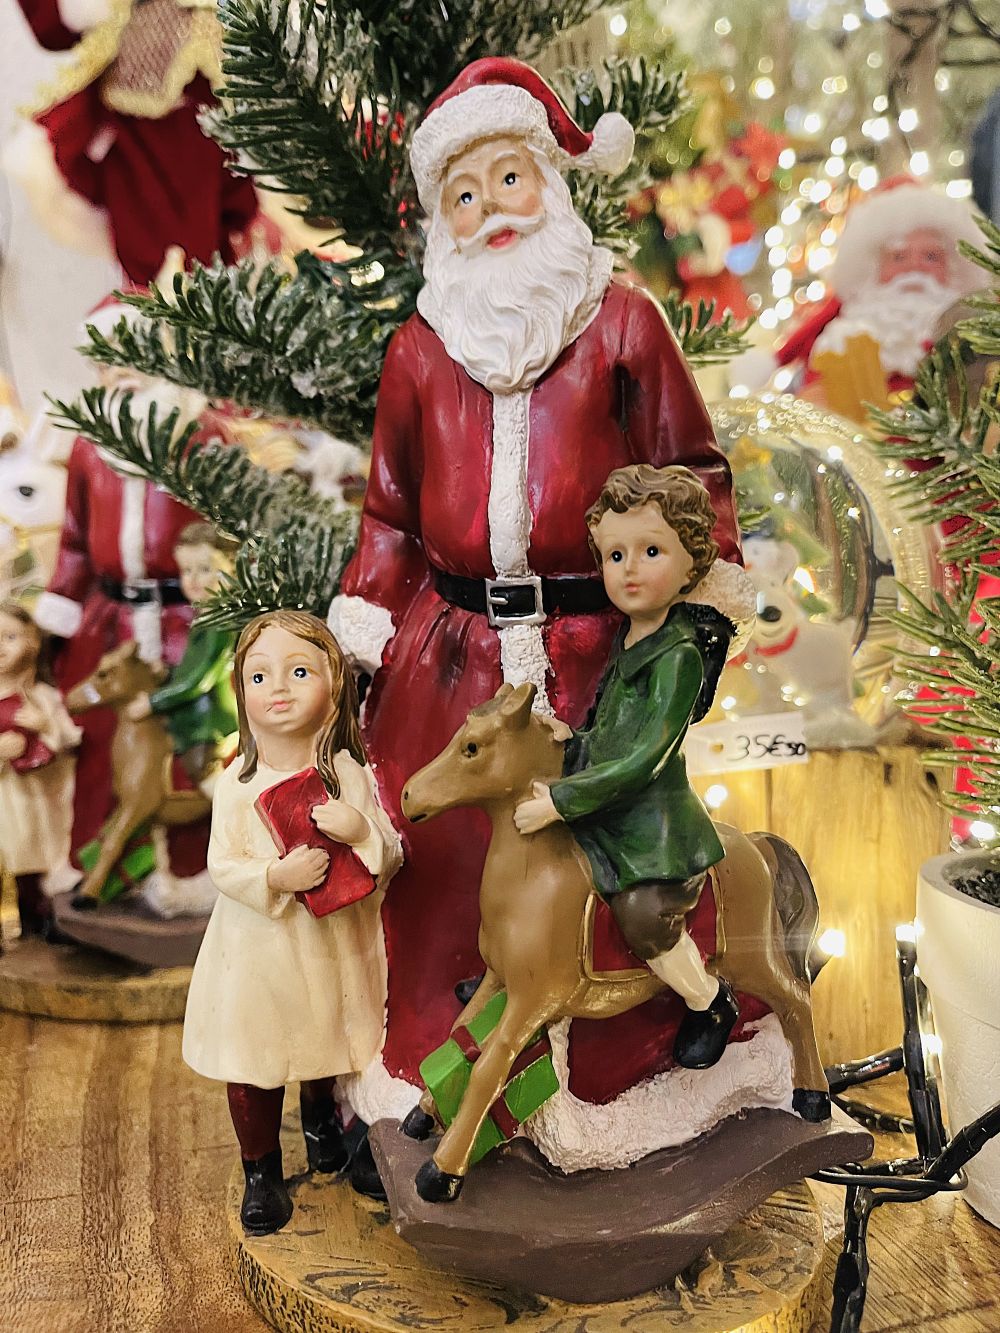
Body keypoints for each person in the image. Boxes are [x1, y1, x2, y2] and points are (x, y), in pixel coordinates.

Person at [328, 58, 755, 1171]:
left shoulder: (620, 322)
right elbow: (386, 512)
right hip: (452, 653)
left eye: (508, 179)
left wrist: (701, 610)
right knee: (445, 868)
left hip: (591, 651)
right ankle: (444, 1067)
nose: (489, 213)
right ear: (440, 220)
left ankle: (618, 1077)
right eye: (462, 196)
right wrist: (363, 628)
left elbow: (692, 471)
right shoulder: (419, 348)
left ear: (551, 183)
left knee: (606, 869)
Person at [182, 610, 401, 1235]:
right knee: (258, 1057)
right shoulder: (236, 785)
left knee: (327, 1040)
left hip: (332, 945)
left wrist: (359, 831)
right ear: (240, 689)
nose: (277, 688)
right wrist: (274, 879)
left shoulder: (348, 775)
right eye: (260, 675)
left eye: (299, 671)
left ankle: (323, 1128)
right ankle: (261, 1172)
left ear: (333, 685)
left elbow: (385, 856)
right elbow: (222, 865)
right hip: (260, 952)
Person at [514, 465, 737, 1069]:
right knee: (547, 871)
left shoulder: (679, 655)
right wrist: (574, 739)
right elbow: (614, 731)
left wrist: (561, 799)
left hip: (652, 825)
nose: (630, 568)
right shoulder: (633, 636)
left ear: (692, 562)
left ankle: (707, 998)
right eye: (615, 554)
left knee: (642, 918)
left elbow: (643, 759)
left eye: (651, 550)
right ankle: (522, 974)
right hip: (610, 804)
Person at [734, 175, 984, 396]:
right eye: (898, 257)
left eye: (931, 256)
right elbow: (804, 343)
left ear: (952, 267)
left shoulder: (967, 329)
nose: (914, 267)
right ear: (875, 267)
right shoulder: (848, 323)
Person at [124, 522, 238, 790]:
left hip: (209, 721)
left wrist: (154, 701)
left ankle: (231, 814)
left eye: (205, 569)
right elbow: (189, 669)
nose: (194, 579)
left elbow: (199, 679)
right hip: (193, 717)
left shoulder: (220, 623)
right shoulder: (204, 618)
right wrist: (165, 674)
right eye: (186, 570)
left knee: (199, 767)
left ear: (231, 567)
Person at [0, 600, 80, 947]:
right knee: (16, 856)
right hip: (9, 799)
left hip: (46, 798)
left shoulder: (46, 696)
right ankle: (25, 920)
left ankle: (51, 920)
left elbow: (69, 737)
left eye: (10, 637)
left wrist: (45, 725)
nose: (0, 647)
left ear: (33, 641)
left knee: (49, 854)